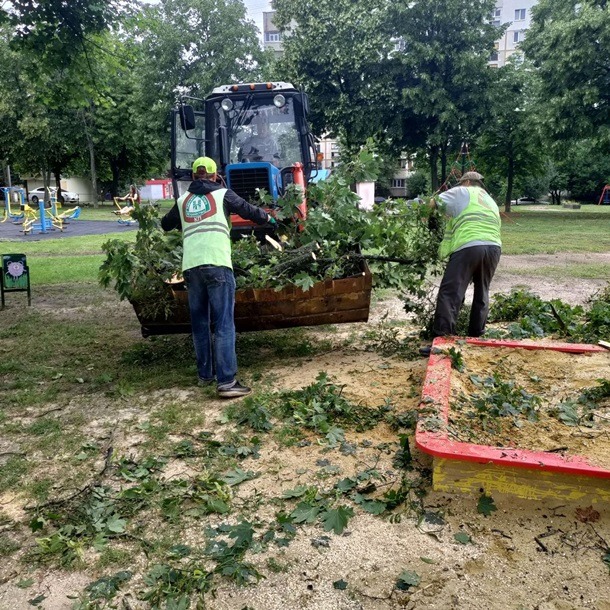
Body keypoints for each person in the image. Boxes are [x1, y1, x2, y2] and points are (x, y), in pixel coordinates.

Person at [161, 156, 275, 398]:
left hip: (191, 268)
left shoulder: (182, 201)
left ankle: (205, 375)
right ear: (215, 176)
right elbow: (250, 211)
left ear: (193, 176)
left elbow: (165, 224)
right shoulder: (224, 194)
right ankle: (226, 382)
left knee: (200, 324)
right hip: (218, 265)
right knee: (223, 323)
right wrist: (268, 218)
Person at [420, 171, 502, 356]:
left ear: (466, 181)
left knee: (450, 293)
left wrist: (424, 216)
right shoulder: (489, 200)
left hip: (469, 246)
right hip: (494, 248)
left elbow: (433, 203)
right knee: (483, 292)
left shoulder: (462, 192)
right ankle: (476, 337)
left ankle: (443, 341)